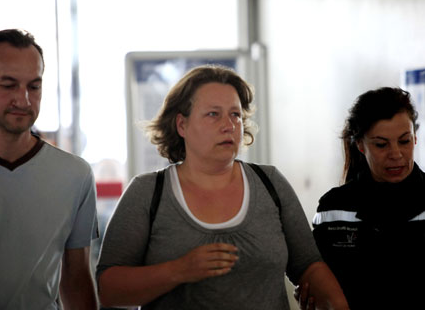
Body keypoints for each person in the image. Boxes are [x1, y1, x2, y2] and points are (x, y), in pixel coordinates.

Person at [96, 65, 348, 309]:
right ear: (182, 125)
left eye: (236, 114)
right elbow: (108, 290)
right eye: (213, 114)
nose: (229, 125)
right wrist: (178, 270)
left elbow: (308, 265)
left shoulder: (269, 182)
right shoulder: (148, 191)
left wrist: (336, 304)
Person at [0, 29, 98, 309]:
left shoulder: (75, 175)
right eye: (8, 85)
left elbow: (76, 278)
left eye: (34, 86)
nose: (24, 100)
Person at [312, 87, 425, 309]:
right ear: (360, 145)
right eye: (381, 144)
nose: (396, 154)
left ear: (415, 138)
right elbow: (315, 276)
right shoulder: (332, 210)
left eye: (404, 141)